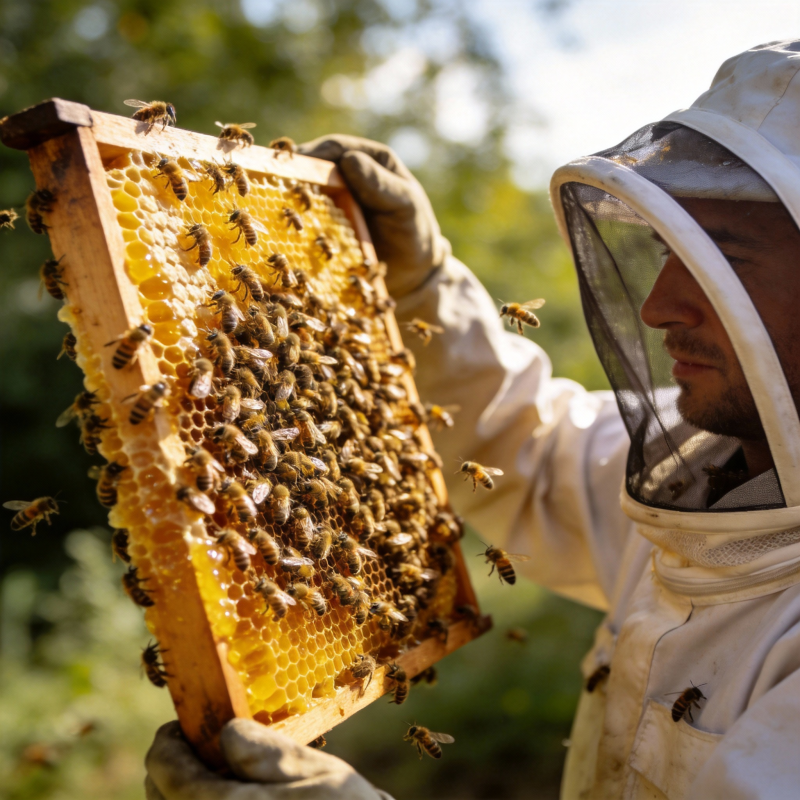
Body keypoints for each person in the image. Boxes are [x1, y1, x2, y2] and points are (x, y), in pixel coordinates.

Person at [145, 40, 800, 800]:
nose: (655, 307)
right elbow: (528, 449)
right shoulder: (695, 463)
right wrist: (421, 290)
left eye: (725, 256)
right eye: (668, 247)